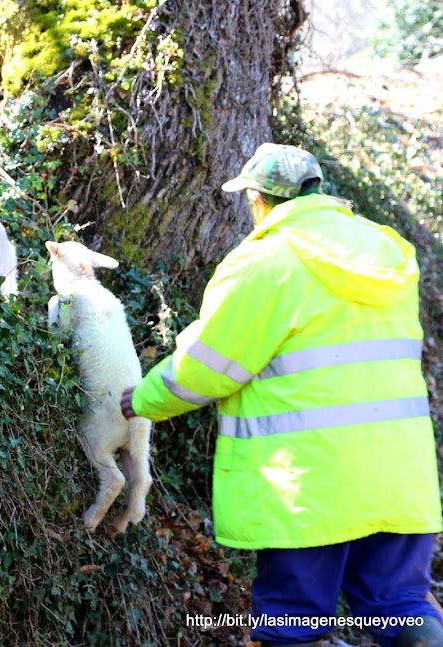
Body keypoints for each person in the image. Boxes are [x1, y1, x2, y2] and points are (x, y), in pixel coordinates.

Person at [120, 143, 443, 647]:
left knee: (293, 618)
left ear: (258, 199)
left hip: (306, 483)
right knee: (399, 608)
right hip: (400, 474)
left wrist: (143, 398)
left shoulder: (265, 262)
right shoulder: (386, 252)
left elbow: (209, 366)